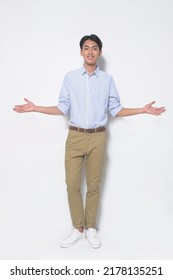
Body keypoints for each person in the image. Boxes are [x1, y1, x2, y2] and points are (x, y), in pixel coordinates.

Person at [13, 34, 166, 249]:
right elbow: (62, 108)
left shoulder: (107, 80)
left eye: (94, 48)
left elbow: (116, 110)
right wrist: (35, 107)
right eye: (86, 48)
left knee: (94, 185)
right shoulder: (70, 78)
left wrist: (143, 109)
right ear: (81, 52)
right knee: (73, 184)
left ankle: (91, 227)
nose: (90, 51)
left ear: (100, 52)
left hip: (98, 137)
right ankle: (78, 228)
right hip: (75, 136)